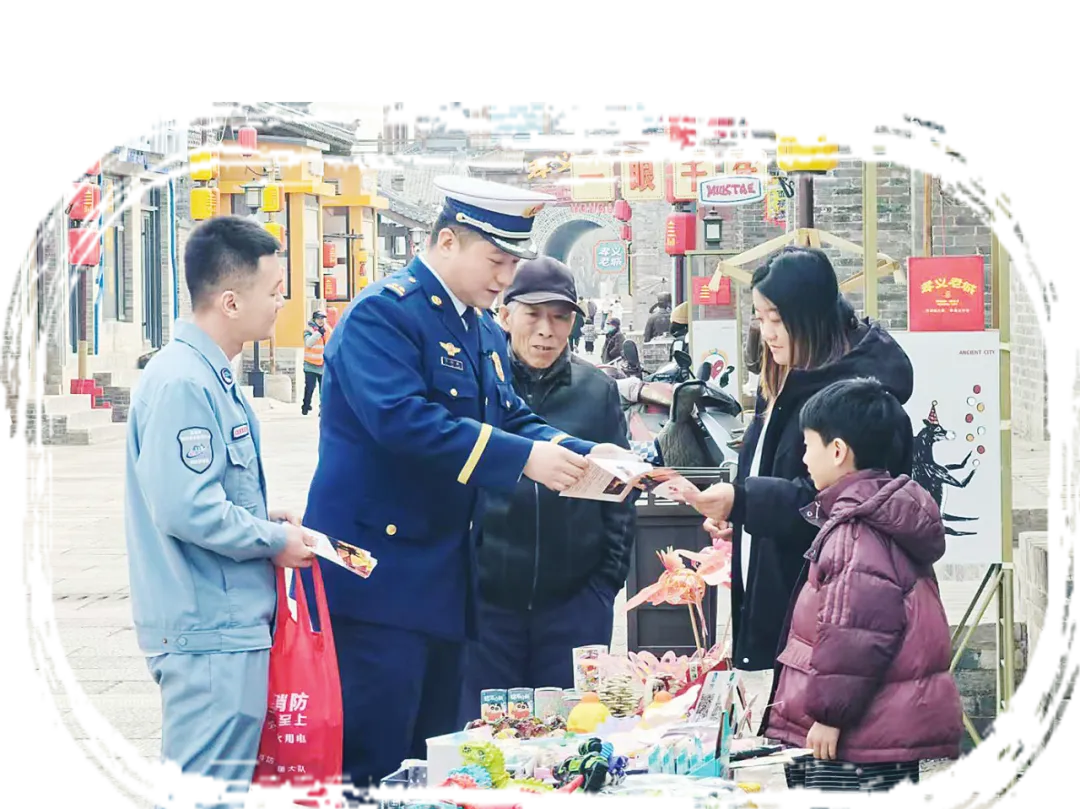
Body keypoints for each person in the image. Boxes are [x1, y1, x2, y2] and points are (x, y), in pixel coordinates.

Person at [297, 176, 621, 809]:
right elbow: (402, 420)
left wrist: (585, 452)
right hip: (377, 579)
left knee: (438, 765)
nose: (505, 276)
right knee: (374, 761)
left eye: (512, 262)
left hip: (445, 581)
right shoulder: (383, 315)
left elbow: (510, 416)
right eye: (495, 260)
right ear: (447, 241)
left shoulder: (479, 330)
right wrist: (524, 460)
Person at [677, 246, 914, 730]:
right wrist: (741, 516)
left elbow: (840, 502)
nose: (766, 333)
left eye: (776, 319)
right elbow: (777, 474)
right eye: (760, 317)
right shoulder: (790, 378)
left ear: (808, 317)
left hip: (825, 610)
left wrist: (745, 501)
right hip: (778, 591)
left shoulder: (858, 400)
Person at [125, 216, 318, 809]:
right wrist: (271, 541)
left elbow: (206, 491)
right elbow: (187, 508)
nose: (282, 304)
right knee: (201, 794)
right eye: (274, 291)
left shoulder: (206, 374)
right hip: (208, 628)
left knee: (213, 793)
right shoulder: (185, 382)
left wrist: (263, 518)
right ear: (231, 301)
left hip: (222, 624)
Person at [762, 377, 962, 805]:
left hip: (855, 739)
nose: (803, 457)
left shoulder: (855, 531)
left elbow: (855, 635)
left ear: (837, 451)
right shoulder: (880, 514)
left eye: (808, 444)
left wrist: (829, 716)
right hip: (878, 731)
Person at [460, 257, 637, 725]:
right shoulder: (478, 386)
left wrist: (603, 586)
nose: (546, 330)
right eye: (533, 314)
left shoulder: (596, 390)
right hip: (488, 605)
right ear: (505, 314)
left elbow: (620, 493)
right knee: (489, 738)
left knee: (571, 734)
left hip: (574, 605)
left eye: (559, 317)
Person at [301, 310, 331, 415]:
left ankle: (323, 410)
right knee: (310, 387)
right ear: (314, 319)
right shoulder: (308, 330)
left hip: (323, 365)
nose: (321, 320)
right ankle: (306, 405)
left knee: (323, 389)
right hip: (310, 364)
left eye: (322, 318)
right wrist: (318, 333)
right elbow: (308, 343)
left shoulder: (327, 330)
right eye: (319, 318)